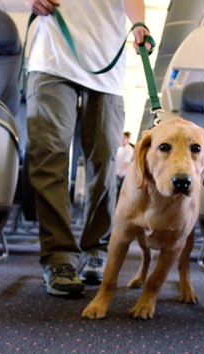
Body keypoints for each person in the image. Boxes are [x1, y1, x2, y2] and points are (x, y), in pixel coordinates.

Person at [25, 0, 152, 297]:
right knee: (49, 158)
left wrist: (139, 23)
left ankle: (97, 249)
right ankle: (58, 258)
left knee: (105, 161)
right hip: (53, 57)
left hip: (107, 65)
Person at [115, 131, 134, 198]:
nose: (122, 139)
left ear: (128, 139)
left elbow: (127, 161)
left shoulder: (129, 149)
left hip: (121, 173)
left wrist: (121, 171)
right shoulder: (119, 147)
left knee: (117, 190)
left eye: (124, 138)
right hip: (115, 171)